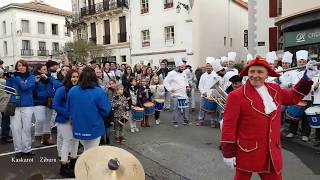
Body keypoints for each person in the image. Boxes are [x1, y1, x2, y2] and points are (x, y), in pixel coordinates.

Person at [221, 57, 316, 180]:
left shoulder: (275, 89)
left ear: (267, 75)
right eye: (252, 71)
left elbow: (293, 97)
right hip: (247, 150)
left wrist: (306, 78)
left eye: (260, 72)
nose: (255, 75)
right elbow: (229, 125)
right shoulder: (236, 96)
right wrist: (228, 152)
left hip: (271, 151)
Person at [67, 67, 111, 151]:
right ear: (94, 77)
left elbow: (69, 107)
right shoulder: (98, 91)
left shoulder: (73, 90)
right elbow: (106, 110)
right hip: (94, 126)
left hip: (78, 126)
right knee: (91, 152)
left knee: (86, 149)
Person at [53, 69, 79, 178]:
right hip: (65, 120)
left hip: (76, 120)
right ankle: (63, 167)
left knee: (75, 141)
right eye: (73, 76)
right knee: (67, 141)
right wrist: (68, 114)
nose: (75, 79)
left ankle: (73, 164)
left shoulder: (79, 89)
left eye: (77, 77)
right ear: (68, 77)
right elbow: (56, 105)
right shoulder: (62, 89)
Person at [7, 60, 35, 157]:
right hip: (15, 105)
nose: (22, 67)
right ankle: (18, 150)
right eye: (19, 65)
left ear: (26, 67)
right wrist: (9, 78)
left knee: (26, 128)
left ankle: (27, 149)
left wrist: (17, 77)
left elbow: (25, 87)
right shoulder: (14, 77)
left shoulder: (31, 77)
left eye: (23, 65)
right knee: (16, 128)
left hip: (27, 105)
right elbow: (7, 90)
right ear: (16, 67)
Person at [285, 50, 312, 142]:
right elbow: (287, 83)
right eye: (300, 61)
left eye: (303, 61)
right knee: (294, 115)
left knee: (305, 117)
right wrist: (289, 85)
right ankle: (292, 131)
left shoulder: (309, 71)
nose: (301, 63)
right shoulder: (292, 72)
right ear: (297, 61)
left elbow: (313, 84)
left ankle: (305, 134)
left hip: (307, 97)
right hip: (295, 97)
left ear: (306, 62)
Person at [33, 64, 61, 147]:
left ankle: (47, 138)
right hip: (38, 101)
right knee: (40, 119)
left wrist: (48, 79)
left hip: (49, 101)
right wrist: (35, 82)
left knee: (47, 121)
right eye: (44, 69)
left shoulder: (50, 77)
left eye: (46, 69)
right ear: (39, 70)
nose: (46, 70)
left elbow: (57, 85)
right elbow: (31, 89)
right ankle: (37, 138)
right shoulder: (34, 77)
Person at [163, 57, 190, 128]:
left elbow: (186, 81)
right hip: (175, 95)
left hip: (184, 94)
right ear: (177, 67)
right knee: (176, 109)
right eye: (181, 68)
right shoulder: (171, 73)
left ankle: (186, 120)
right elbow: (165, 82)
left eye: (183, 67)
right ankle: (175, 122)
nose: (183, 69)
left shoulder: (183, 72)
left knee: (186, 109)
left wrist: (187, 87)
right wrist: (170, 89)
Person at [198, 57, 221, 127]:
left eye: (210, 66)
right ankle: (200, 120)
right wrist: (203, 92)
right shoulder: (203, 75)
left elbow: (219, 85)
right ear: (205, 67)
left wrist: (215, 94)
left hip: (212, 95)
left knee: (213, 109)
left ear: (212, 67)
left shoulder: (216, 75)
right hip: (204, 95)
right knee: (202, 108)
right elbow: (200, 85)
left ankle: (213, 121)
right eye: (207, 66)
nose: (208, 67)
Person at [0, 68, 12, 144]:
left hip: (1, 103)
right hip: (5, 103)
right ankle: (5, 137)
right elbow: (11, 87)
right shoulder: (3, 82)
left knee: (4, 120)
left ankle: (4, 135)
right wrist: (10, 77)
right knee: (6, 121)